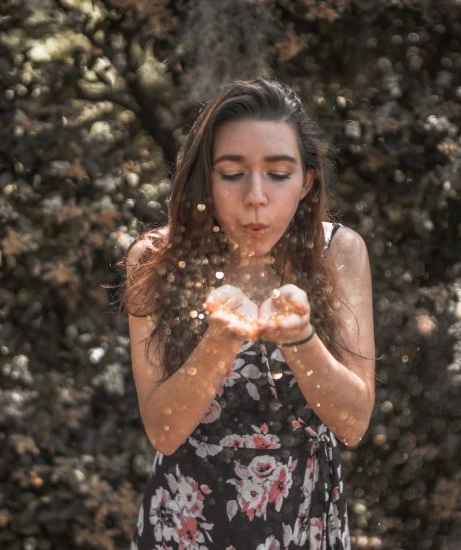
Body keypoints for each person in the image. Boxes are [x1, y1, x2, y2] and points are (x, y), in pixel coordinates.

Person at [119, 78, 375, 549]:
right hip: (187, 523)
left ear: (306, 182)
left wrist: (300, 338)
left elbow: (353, 423)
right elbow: (164, 430)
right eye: (232, 174)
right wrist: (220, 339)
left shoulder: (339, 252)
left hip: (304, 522)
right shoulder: (155, 259)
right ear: (206, 180)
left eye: (278, 174)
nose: (256, 196)